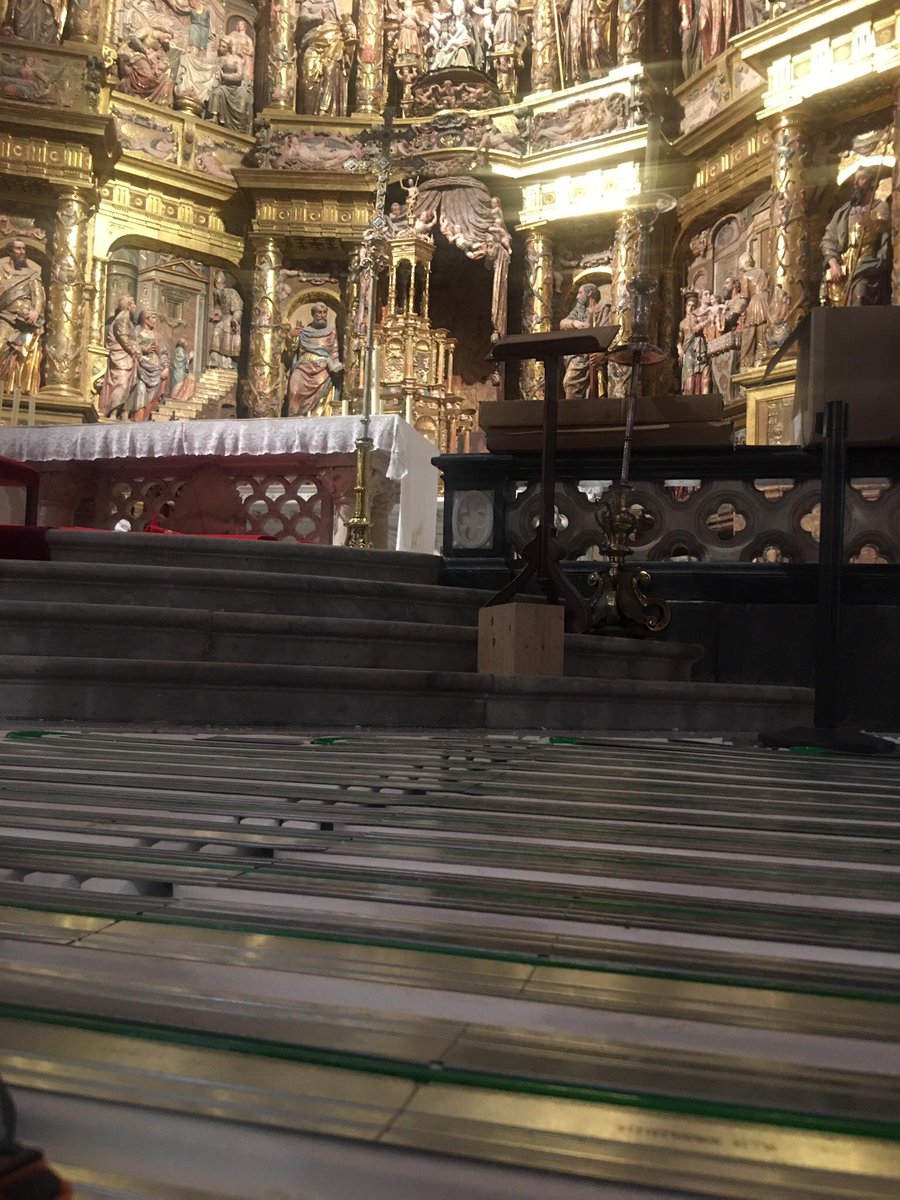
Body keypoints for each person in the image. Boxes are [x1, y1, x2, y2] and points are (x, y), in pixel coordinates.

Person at [820, 165, 891, 307]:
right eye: (855, 179)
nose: (855, 183)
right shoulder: (843, 212)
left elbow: (888, 230)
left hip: (867, 265)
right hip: (843, 267)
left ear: (872, 183)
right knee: (828, 296)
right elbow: (827, 240)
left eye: (861, 178)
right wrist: (833, 264)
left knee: (859, 292)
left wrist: (871, 223)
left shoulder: (880, 207)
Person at [0, 238, 44, 395]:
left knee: (24, 351)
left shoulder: (31, 275)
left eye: (24, 249)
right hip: (5, 317)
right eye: (18, 249)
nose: (22, 252)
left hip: (24, 321)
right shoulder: (2, 271)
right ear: (10, 251)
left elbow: (38, 296)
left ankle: (10, 388)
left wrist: (36, 312)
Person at [297, 0, 357, 116]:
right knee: (308, 77)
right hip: (313, 40)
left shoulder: (335, 3)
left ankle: (325, 110)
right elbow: (303, 18)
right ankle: (309, 113)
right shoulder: (308, 3)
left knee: (330, 73)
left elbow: (346, 20)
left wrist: (351, 29)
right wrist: (318, 16)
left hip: (334, 40)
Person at [285, 302, 343, 417]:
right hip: (303, 368)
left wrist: (336, 366)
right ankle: (295, 419)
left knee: (321, 398)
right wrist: (290, 336)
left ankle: (318, 417)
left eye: (325, 313)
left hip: (323, 370)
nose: (322, 315)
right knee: (294, 391)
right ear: (313, 314)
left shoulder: (331, 332)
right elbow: (292, 350)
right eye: (319, 313)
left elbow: (334, 351)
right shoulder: (303, 332)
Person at [560, 282, 610, 400]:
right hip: (579, 356)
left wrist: (603, 353)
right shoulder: (578, 311)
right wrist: (574, 323)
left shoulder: (603, 310)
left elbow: (608, 334)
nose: (577, 297)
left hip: (595, 356)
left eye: (580, 293)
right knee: (569, 382)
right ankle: (571, 411)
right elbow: (562, 323)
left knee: (594, 390)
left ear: (589, 293)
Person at [99, 294, 139, 418]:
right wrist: (133, 351)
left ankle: (120, 411)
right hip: (120, 356)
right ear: (127, 306)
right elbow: (123, 337)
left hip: (126, 355)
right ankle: (113, 411)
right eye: (133, 304)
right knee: (121, 383)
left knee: (127, 384)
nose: (135, 306)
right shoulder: (123, 318)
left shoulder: (127, 320)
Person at [205, 37, 252, 133]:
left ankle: (240, 127)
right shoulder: (220, 59)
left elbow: (240, 76)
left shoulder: (236, 59)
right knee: (216, 92)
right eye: (220, 46)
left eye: (224, 46)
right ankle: (214, 117)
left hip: (237, 88)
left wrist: (225, 76)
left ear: (229, 48)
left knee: (244, 100)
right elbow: (213, 69)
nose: (220, 48)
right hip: (225, 87)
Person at [208, 271, 243, 368]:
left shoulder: (232, 293)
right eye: (216, 284)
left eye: (219, 284)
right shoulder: (217, 294)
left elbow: (238, 308)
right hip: (222, 320)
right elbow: (218, 308)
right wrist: (216, 314)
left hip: (231, 320)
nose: (217, 286)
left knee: (227, 340)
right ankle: (215, 360)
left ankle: (227, 362)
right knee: (216, 333)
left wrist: (235, 319)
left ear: (223, 284)